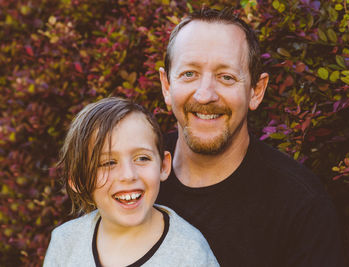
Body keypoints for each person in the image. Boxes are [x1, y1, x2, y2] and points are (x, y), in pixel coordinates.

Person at [157, 8, 343, 267]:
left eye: (226, 77)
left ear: (256, 91)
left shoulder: (300, 206)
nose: (205, 95)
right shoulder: (130, 181)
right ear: (167, 86)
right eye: (189, 74)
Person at [43, 97, 219, 267]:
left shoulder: (190, 252)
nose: (128, 175)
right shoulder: (65, 242)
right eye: (108, 163)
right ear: (79, 181)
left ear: (164, 166)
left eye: (142, 158)